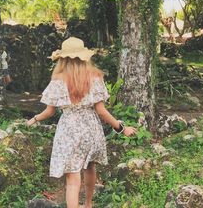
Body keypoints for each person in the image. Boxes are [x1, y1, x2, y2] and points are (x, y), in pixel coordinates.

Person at [26, 37, 137, 208]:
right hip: (90, 128)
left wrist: (33, 119)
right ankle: (88, 204)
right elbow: (101, 111)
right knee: (90, 167)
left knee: (72, 179)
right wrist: (122, 129)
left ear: (63, 59)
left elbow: (49, 111)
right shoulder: (95, 77)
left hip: (68, 130)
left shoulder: (58, 80)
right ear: (84, 56)